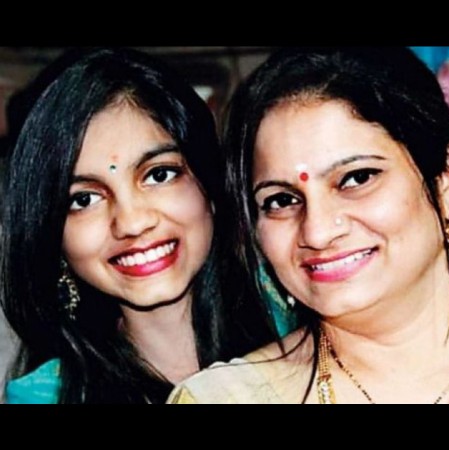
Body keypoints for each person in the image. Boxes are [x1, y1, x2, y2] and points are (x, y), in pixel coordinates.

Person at [169, 47, 449, 404]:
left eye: (357, 178)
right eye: (281, 201)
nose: (318, 231)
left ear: (447, 180)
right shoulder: (224, 398)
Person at [0, 47, 273, 404]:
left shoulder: (308, 320)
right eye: (84, 199)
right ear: (53, 236)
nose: (131, 222)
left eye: (159, 175)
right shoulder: (45, 397)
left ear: (209, 185)